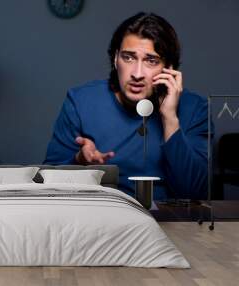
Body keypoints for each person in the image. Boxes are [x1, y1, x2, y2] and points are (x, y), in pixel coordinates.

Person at [43, 12, 208, 200]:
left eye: (151, 60)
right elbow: (48, 182)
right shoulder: (80, 101)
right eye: (128, 58)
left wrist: (170, 119)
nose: (137, 73)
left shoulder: (196, 108)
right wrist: (79, 161)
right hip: (101, 215)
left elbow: (196, 193)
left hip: (168, 221)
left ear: (168, 68)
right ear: (115, 59)